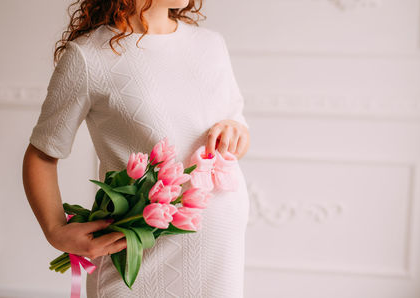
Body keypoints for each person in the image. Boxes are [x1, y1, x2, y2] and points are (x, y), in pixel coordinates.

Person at [22, 0, 251, 296]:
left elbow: (237, 133)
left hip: (219, 254)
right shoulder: (89, 56)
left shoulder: (210, 44)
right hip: (140, 257)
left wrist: (236, 131)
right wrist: (55, 231)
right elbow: (42, 154)